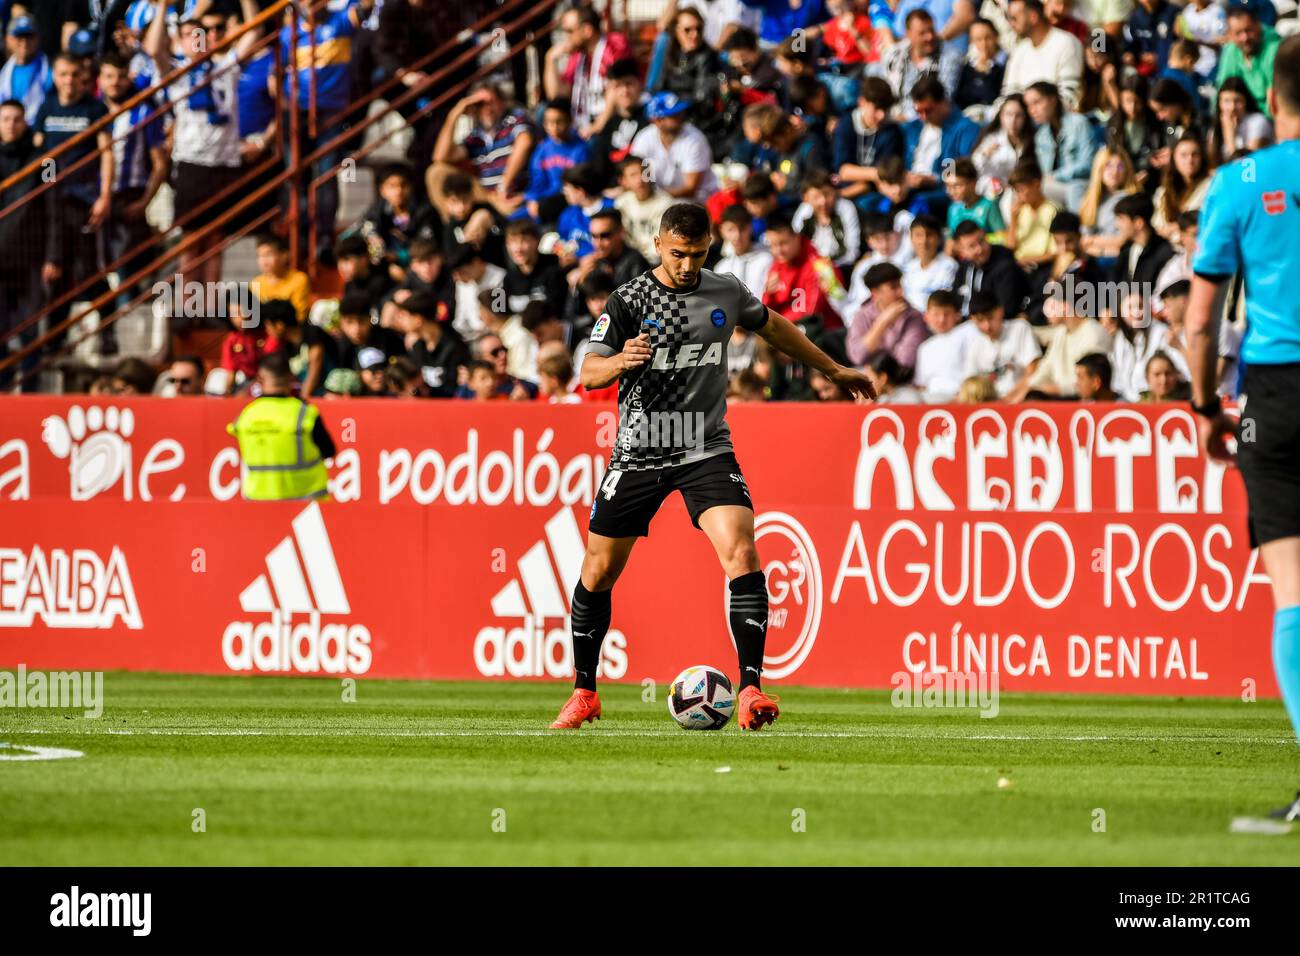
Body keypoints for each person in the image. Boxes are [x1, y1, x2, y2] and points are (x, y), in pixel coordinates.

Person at [548, 201, 875, 731]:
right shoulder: (629, 299)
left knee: (742, 549)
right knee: (599, 570)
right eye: (678, 254)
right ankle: (584, 691)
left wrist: (834, 368)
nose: (687, 265)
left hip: (706, 447)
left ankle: (750, 689)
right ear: (658, 245)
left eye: (698, 255)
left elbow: (774, 328)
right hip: (640, 449)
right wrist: (619, 363)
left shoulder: (723, 290)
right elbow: (587, 372)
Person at [1186, 36, 1300, 821]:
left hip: (1278, 397)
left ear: (1272, 99)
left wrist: (1203, 408)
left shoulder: (1239, 181)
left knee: (1293, 594)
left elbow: (1199, 323)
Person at [227, 352, 337, 502]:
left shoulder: (246, 415)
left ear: (259, 379)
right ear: (291, 377)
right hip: (306, 505)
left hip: (259, 501)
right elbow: (329, 450)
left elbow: (234, 431)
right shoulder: (305, 413)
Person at [630, 91, 719, 202]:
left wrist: (653, 195)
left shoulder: (695, 139)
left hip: (697, 201)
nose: (680, 117)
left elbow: (690, 188)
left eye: (679, 113)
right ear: (657, 120)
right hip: (660, 199)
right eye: (673, 115)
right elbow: (633, 172)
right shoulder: (644, 138)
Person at [1000, 0, 1083, 110]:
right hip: (1020, 120)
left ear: (1033, 17)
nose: (1011, 24)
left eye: (1014, 18)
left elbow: (1069, 96)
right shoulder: (1019, 50)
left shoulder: (1067, 42)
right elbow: (1009, 93)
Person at [847, 261, 930, 369]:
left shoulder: (914, 317)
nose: (900, 292)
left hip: (900, 381)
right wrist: (882, 323)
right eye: (893, 288)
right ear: (875, 293)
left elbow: (906, 361)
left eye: (900, 285)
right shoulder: (862, 315)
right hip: (868, 377)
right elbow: (857, 356)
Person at [962, 288, 1042, 396]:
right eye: (980, 320)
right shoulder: (975, 343)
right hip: (988, 403)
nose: (987, 326)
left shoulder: (1020, 328)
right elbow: (969, 382)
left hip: (1019, 399)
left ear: (1000, 311)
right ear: (972, 319)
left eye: (990, 318)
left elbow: (1033, 370)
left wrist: (1011, 398)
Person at [950, 219, 1030, 319]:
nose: (980, 249)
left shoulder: (1005, 265)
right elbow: (954, 300)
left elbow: (1007, 310)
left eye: (982, 241)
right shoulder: (964, 267)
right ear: (961, 251)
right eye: (972, 246)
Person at [1215, 7, 1280, 118]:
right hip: (1245, 117)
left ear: (1258, 25)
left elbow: (1274, 106)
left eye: (1249, 30)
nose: (1245, 37)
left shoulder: (1274, 48)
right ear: (1230, 35)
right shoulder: (1231, 50)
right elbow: (1224, 91)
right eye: (1238, 33)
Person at [0, 16, 50, 124]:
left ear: (37, 39)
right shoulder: (3, 73)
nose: (24, 42)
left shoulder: (49, 71)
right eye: (19, 37)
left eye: (29, 37)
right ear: (8, 39)